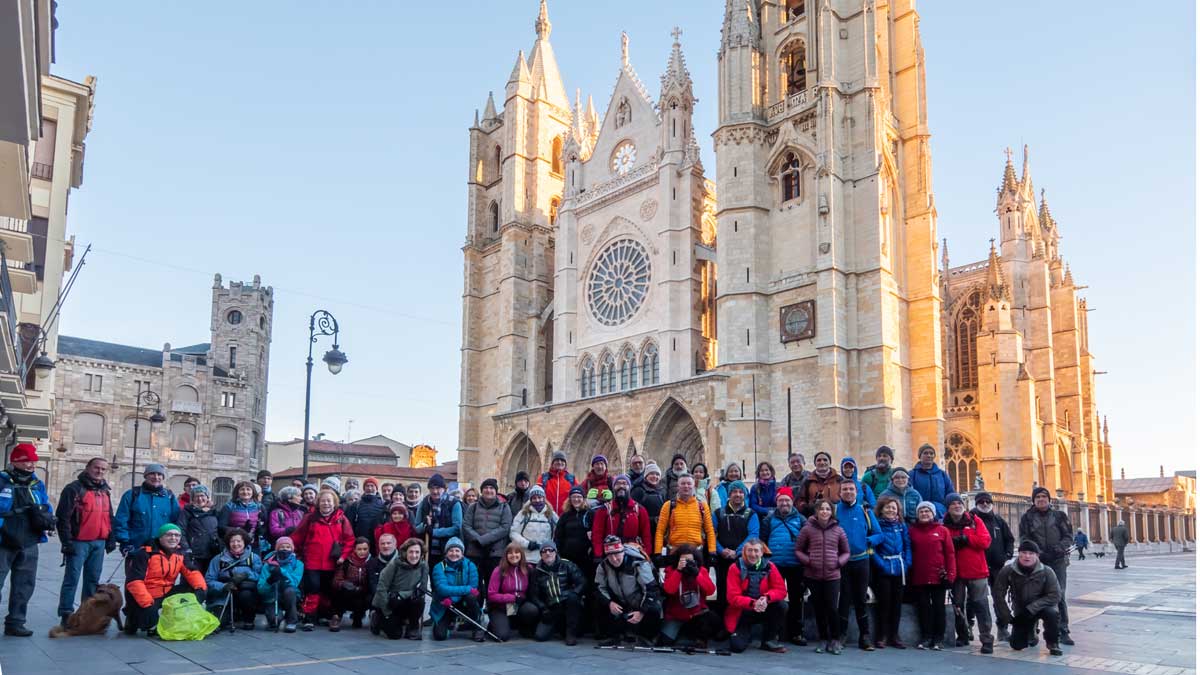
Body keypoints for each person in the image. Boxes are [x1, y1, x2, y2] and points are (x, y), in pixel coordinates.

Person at [55, 456, 117, 627]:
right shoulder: (73, 489)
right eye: (96, 468)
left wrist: (111, 538)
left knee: (92, 580)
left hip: (99, 542)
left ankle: (86, 614)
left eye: (103, 469)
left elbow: (109, 516)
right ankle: (66, 614)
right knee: (72, 579)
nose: (100, 471)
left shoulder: (105, 490)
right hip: (78, 542)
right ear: (88, 467)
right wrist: (66, 542)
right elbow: (62, 517)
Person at [0, 444, 53, 636]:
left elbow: (45, 504)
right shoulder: (2, 480)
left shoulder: (36, 484)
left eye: (33, 461)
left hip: (29, 540)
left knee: (24, 584)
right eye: (27, 461)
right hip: (4, 540)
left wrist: (47, 519)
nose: (32, 465)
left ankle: (16, 622)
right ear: (15, 461)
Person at [123, 523, 207, 636]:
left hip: (166, 593)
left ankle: (174, 616)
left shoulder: (180, 554)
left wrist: (201, 589)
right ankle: (133, 618)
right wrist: (148, 603)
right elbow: (134, 582)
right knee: (148, 624)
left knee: (193, 589)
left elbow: (191, 572)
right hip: (146, 596)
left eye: (177, 535)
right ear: (160, 537)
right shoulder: (145, 553)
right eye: (169, 535)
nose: (173, 538)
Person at [291, 489, 355, 630]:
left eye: (329, 501)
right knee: (312, 589)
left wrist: (343, 556)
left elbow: (350, 540)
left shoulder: (341, 518)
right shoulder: (310, 518)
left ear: (334, 503)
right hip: (312, 561)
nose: (326, 503)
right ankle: (309, 617)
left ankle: (324, 615)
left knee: (327, 590)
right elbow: (297, 537)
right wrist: (294, 553)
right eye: (323, 500)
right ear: (318, 502)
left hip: (332, 562)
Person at [1019, 485, 1074, 644]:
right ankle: (1031, 631)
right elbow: (1024, 538)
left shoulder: (1059, 516)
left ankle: (1063, 631)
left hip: (1057, 560)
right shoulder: (1027, 518)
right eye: (1038, 497)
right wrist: (1036, 552)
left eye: (1044, 497)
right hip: (1037, 562)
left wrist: (1058, 548)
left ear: (1049, 500)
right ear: (1033, 500)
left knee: (1059, 594)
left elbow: (1068, 536)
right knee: (1033, 595)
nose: (1041, 499)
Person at [795, 499, 850, 654]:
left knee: (832, 608)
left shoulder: (838, 530)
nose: (824, 511)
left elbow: (846, 551)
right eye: (821, 509)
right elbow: (798, 550)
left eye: (827, 509)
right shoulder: (807, 529)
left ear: (831, 512)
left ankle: (835, 639)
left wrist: (838, 563)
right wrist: (809, 561)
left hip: (833, 575)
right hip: (813, 575)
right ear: (816, 511)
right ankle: (823, 638)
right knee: (819, 608)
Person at [834, 477, 882, 650]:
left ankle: (865, 636)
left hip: (862, 560)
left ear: (857, 492)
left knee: (861, 598)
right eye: (844, 489)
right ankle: (842, 635)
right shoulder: (834, 510)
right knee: (844, 598)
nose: (848, 492)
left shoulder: (865, 511)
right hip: (841, 562)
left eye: (851, 490)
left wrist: (868, 541)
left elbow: (879, 534)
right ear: (840, 493)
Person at [993, 540, 1063, 656]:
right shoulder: (1008, 571)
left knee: (1052, 614)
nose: (1027, 556)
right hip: (1021, 611)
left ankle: (1053, 643)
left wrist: (1031, 608)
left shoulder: (1047, 571)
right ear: (1019, 554)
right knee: (1017, 645)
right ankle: (1031, 632)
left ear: (1037, 555)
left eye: (1031, 553)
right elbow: (998, 594)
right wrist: (1007, 616)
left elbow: (1055, 595)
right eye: (1024, 552)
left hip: (1042, 607)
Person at [942, 493, 994, 652]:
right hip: (957, 573)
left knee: (980, 604)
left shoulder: (974, 521)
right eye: (953, 504)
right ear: (948, 508)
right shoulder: (944, 525)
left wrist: (966, 539)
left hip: (977, 571)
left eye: (959, 503)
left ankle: (986, 639)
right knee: (958, 606)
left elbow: (985, 541)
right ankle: (963, 635)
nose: (957, 506)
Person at [594, 535, 662, 645]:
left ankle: (647, 636)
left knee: (654, 607)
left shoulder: (638, 563)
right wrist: (609, 603)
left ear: (623, 551)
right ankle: (611, 634)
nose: (614, 559)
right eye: (610, 556)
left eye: (617, 554)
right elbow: (599, 587)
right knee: (599, 601)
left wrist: (642, 611)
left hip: (639, 601)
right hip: (620, 602)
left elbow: (651, 589)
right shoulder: (603, 566)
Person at [725, 537, 788, 653]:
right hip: (742, 612)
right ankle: (743, 635)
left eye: (756, 551)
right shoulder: (735, 568)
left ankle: (768, 640)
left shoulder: (770, 566)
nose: (752, 554)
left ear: (762, 552)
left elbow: (781, 590)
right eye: (749, 550)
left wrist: (767, 598)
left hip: (763, 607)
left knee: (781, 605)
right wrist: (753, 603)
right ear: (744, 551)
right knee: (736, 647)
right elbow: (732, 597)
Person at [760, 487, 806, 644]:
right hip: (775, 567)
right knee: (773, 600)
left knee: (796, 600)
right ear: (777, 502)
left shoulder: (801, 519)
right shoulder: (768, 520)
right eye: (781, 500)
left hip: (795, 565)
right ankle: (775, 632)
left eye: (787, 500)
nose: (784, 503)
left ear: (792, 501)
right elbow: (763, 542)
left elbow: (807, 540)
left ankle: (796, 632)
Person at [909, 500, 956, 650]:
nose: (924, 514)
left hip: (938, 576)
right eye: (921, 511)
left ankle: (938, 638)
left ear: (933, 514)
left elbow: (950, 554)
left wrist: (950, 575)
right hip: (919, 575)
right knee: (923, 608)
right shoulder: (912, 530)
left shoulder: (943, 531)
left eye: (927, 511)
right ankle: (926, 636)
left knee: (938, 608)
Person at [971, 491, 1014, 640]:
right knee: (974, 598)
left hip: (997, 566)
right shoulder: (970, 520)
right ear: (976, 504)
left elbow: (1009, 539)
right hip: (977, 566)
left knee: (999, 598)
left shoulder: (998, 521)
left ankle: (1002, 628)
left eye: (987, 501)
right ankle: (969, 627)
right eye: (981, 501)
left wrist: (1007, 554)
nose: (984, 504)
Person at [661, 544, 721, 647]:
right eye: (683, 560)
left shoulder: (701, 570)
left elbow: (711, 590)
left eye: (689, 560)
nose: (687, 563)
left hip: (696, 614)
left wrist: (697, 574)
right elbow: (669, 590)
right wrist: (679, 571)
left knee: (712, 619)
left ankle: (696, 638)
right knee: (665, 641)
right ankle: (683, 636)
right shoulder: (671, 570)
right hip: (676, 615)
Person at [870, 495, 910, 649]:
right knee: (884, 604)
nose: (891, 510)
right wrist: (881, 564)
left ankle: (895, 635)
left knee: (897, 604)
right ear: (881, 510)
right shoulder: (877, 526)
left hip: (899, 569)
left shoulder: (901, 526)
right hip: (883, 569)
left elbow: (907, 546)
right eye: (887, 507)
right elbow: (871, 549)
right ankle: (882, 635)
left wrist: (906, 563)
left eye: (893, 507)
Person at [711, 479, 758, 614]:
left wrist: (737, 552)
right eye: (734, 492)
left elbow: (753, 535)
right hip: (722, 559)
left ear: (744, 494)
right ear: (729, 494)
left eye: (740, 492)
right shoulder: (718, 513)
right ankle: (722, 621)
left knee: (742, 591)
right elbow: (711, 534)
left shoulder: (751, 514)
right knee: (723, 591)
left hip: (742, 560)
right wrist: (721, 550)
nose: (737, 494)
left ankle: (740, 622)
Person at [462, 477, 513, 598]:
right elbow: (466, 525)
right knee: (475, 584)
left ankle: (493, 611)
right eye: (486, 488)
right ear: (482, 491)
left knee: (493, 585)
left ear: (496, 491)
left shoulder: (504, 507)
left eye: (491, 488)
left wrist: (484, 539)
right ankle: (476, 612)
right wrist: (478, 540)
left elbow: (505, 528)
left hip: (495, 553)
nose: (488, 490)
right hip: (475, 552)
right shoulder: (473, 507)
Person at [527, 541, 586, 644]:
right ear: (541, 554)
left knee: (573, 599)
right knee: (540, 636)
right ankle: (559, 627)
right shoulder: (537, 571)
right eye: (544, 551)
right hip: (551, 607)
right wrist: (543, 607)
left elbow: (582, 582)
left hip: (568, 603)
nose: (548, 553)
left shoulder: (567, 565)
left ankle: (570, 633)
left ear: (556, 552)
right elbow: (534, 594)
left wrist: (574, 593)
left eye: (551, 550)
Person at [114, 463, 180, 555]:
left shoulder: (169, 497)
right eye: (152, 473)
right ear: (146, 476)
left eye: (159, 474)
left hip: (162, 549)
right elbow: (121, 520)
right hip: (136, 547)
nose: (156, 477)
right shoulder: (132, 495)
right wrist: (125, 542)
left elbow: (176, 522)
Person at [205, 528, 262, 629]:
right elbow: (209, 579)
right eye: (232, 541)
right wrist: (223, 586)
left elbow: (260, 576)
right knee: (219, 622)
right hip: (225, 592)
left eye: (239, 541)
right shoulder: (218, 559)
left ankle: (248, 618)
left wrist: (245, 575)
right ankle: (232, 614)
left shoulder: (254, 558)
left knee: (246, 594)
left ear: (244, 542)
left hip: (246, 591)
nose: (236, 544)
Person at [373, 537, 428, 640]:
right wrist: (387, 613)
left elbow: (423, 588)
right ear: (405, 552)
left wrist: (403, 594)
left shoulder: (424, 566)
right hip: (390, 602)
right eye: (411, 552)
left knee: (419, 600)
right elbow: (381, 588)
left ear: (421, 553)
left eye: (417, 552)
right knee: (395, 635)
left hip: (406, 599)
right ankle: (377, 618)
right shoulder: (394, 565)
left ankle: (412, 626)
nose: (414, 555)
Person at [430, 537, 483, 641]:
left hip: (461, 602)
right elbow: (442, 589)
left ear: (462, 553)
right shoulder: (439, 567)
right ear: (446, 553)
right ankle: (446, 623)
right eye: (451, 550)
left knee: (471, 597)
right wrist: (467, 589)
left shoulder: (470, 565)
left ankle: (476, 625)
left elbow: (473, 588)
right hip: (445, 604)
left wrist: (453, 598)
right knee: (440, 636)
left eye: (457, 550)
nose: (454, 553)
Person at [654, 475, 716, 563]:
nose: (686, 486)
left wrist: (712, 551)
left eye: (689, 483)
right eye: (683, 483)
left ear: (693, 486)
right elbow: (660, 531)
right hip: (674, 552)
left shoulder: (702, 506)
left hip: (696, 552)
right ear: (678, 487)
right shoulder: (668, 506)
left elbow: (710, 530)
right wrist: (658, 552)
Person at [590, 477, 651, 558]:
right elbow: (597, 534)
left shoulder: (639, 510)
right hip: (610, 552)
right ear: (613, 488)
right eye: (618, 484)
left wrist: (647, 553)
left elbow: (646, 534)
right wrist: (598, 554)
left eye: (624, 483)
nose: (621, 486)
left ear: (629, 487)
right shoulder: (604, 510)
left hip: (633, 552)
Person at [414, 473, 463, 568]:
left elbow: (456, 528)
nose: (435, 491)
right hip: (428, 550)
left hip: (447, 550)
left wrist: (434, 532)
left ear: (444, 489)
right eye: (432, 488)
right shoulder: (424, 503)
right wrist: (424, 525)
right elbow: (417, 528)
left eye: (438, 488)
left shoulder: (453, 503)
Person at [486, 542, 533, 641]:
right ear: (506, 555)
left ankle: (521, 626)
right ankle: (494, 624)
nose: (514, 555)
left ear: (521, 554)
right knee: (502, 636)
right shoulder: (499, 570)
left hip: (517, 606)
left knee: (531, 610)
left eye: (517, 552)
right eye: (510, 553)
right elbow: (491, 595)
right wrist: (512, 598)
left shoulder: (528, 569)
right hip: (500, 607)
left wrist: (521, 599)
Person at [259, 536, 304, 632]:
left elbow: (294, 582)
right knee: (274, 621)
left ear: (292, 549)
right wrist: (269, 580)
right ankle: (276, 616)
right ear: (277, 548)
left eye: (288, 547)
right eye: (282, 547)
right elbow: (261, 588)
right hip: (272, 595)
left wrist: (282, 572)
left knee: (290, 591)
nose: (285, 549)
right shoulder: (267, 564)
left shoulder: (298, 564)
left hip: (289, 593)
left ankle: (292, 620)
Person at [177, 486, 221, 581]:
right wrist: (186, 549)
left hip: (212, 553)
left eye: (202, 495)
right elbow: (181, 531)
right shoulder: (187, 512)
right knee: (191, 581)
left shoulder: (214, 512)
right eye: (196, 496)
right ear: (192, 499)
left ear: (207, 497)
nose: (200, 499)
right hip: (194, 554)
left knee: (208, 581)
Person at [330, 537, 372, 631]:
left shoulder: (372, 562)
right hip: (348, 592)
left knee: (369, 597)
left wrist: (362, 588)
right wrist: (345, 584)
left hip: (363, 593)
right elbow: (336, 580)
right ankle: (336, 617)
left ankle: (358, 617)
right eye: (359, 549)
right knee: (338, 592)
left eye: (365, 549)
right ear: (354, 549)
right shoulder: (346, 562)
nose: (362, 552)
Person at [510, 484, 557, 563]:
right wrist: (527, 544)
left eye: (539, 497)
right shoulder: (523, 514)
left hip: (546, 558)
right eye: (534, 498)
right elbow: (513, 533)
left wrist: (550, 547)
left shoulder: (551, 515)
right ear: (530, 500)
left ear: (544, 498)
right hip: (526, 558)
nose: (537, 500)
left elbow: (558, 533)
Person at [555, 485, 593, 575]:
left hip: (585, 557)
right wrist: (559, 552)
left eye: (579, 497)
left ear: (583, 499)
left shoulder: (590, 514)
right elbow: (558, 535)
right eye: (574, 497)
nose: (576, 499)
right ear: (570, 499)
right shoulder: (565, 516)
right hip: (567, 556)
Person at [366, 533, 399, 634]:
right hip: (379, 597)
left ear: (395, 544)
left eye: (389, 543)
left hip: (397, 596)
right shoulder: (372, 563)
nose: (385, 546)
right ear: (378, 545)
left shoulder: (403, 561)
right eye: (382, 543)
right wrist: (384, 597)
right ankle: (376, 615)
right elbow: (372, 584)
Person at [910, 444, 954, 520]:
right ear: (920, 456)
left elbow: (950, 493)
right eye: (925, 453)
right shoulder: (912, 474)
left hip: (940, 513)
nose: (929, 455)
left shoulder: (942, 474)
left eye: (931, 453)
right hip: (920, 514)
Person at [219, 481, 263, 549]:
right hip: (235, 543)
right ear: (237, 492)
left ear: (253, 492)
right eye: (242, 489)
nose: (245, 492)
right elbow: (221, 526)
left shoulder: (258, 507)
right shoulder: (229, 506)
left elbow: (263, 523)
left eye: (248, 489)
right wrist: (239, 531)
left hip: (253, 543)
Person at [347, 477, 387, 550]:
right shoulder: (356, 505)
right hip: (360, 541)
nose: (369, 488)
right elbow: (350, 525)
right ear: (364, 488)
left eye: (372, 486)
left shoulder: (383, 505)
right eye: (367, 486)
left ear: (376, 488)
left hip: (377, 542)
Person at [537, 451, 577, 515]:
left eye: (562, 460)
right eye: (557, 460)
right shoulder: (544, 478)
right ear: (552, 463)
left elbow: (578, 495)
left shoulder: (571, 479)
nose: (559, 462)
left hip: (566, 516)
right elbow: (536, 494)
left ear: (565, 463)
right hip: (547, 515)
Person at [632, 462, 667, 534]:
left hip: (660, 531)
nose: (655, 476)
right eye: (651, 474)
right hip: (644, 531)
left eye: (657, 474)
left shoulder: (662, 491)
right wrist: (653, 520)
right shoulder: (638, 490)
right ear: (646, 476)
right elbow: (634, 513)